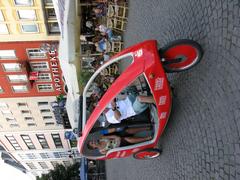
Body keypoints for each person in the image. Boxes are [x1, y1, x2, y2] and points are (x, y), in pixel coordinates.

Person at [87, 127, 152, 154]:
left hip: (117, 137)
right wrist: (118, 143)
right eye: (92, 143)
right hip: (119, 146)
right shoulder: (102, 151)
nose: (93, 141)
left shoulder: (101, 138)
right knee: (128, 139)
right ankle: (147, 138)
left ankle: (145, 128)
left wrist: (117, 138)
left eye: (92, 141)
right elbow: (113, 152)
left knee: (127, 131)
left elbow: (112, 136)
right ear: (94, 147)